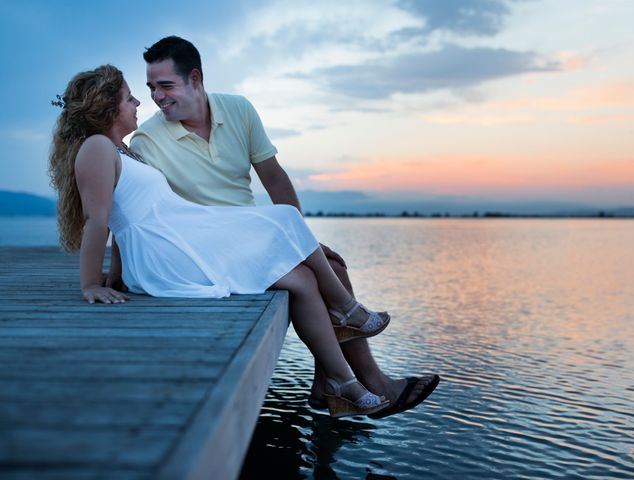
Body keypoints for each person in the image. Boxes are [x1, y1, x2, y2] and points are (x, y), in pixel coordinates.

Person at [48, 64, 395, 419]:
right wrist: (90, 283)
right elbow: (99, 218)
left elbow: (125, 218)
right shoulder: (95, 148)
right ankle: (347, 310)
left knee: (302, 278)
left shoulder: (120, 149)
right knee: (286, 218)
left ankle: (341, 382)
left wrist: (117, 270)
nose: (138, 102)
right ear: (107, 107)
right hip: (168, 252)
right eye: (128, 97)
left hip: (182, 235)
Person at [129, 36, 439, 417]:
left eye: (165, 86)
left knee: (334, 266)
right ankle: (362, 381)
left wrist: (300, 239)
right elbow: (142, 211)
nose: (157, 97)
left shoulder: (238, 110)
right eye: (150, 88)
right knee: (317, 278)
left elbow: (274, 179)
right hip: (212, 247)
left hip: (259, 232)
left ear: (195, 79)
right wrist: (115, 266)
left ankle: (334, 382)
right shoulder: (146, 141)